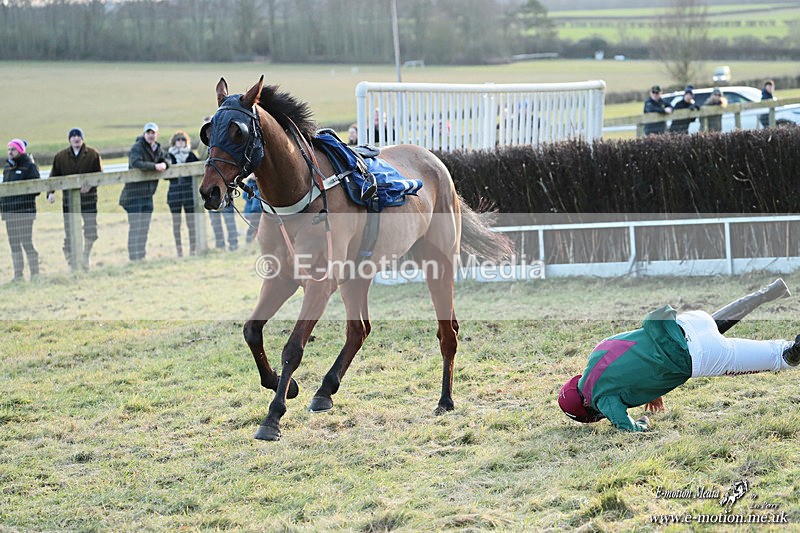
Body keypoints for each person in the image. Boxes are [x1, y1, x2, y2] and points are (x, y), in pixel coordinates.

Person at [558, 305, 800, 432]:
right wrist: (652, 391)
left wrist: (641, 423)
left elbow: (626, 425)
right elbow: (634, 360)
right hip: (688, 321)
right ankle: (768, 293)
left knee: (781, 357)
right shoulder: (598, 351)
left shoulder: (601, 400)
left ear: (588, 408)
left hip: (700, 355)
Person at [48, 127, 103, 270]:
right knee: (70, 231)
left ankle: (85, 256)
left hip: (89, 199)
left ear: (82, 138)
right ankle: (71, 262)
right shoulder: (60, 156)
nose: (76, 138)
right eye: (73, 136)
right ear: (69, 139)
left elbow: (100, 175)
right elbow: (53, 176)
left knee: (91, 229)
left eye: (78, 135)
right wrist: (51, 192)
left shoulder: (93, 154)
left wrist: (91, 185)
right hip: (69, 201)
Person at [119, 122, 169, 261]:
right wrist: (155, 166)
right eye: (148, 133)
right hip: (134, 195)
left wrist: (165, 163)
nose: (151, 135)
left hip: (148, 195)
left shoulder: (158, 148)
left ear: (157, 134)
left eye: (153, 133)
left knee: (145, 227)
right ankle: (133, 257)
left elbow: (168, 158)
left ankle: (141, 255)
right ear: (144, 134)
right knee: (135, 226)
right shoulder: (137, 147)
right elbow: (136, 163)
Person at [1, 139, 41, 281]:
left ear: (20, 150)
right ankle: (18, 275)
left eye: (13, 149)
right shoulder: (7, 168)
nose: (10, 152)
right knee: (14, 243)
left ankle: (35, 273)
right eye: (9, 149)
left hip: (24, 212)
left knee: (26, 241)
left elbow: (36, 190)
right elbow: (4, 189)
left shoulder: (29, 166)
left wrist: (20, 201)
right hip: (9, 212)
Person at [166, 130, 199, 257]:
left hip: (189, 193)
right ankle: (179, 249)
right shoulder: (168, 156)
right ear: (174, 142)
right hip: (174, 193)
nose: (180, 142)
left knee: (191, 222)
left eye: (183, 140)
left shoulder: (190, 155)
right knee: (176, 223)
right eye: (178, 140)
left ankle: (193, 248)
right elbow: (166, 176)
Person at [243, 175, 261, 244]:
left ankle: (254, 241)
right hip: (253, 211)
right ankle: (249, 242)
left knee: (258, 227)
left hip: (259, 210)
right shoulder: (250, 184)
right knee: (253, 227)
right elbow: (245, 196)